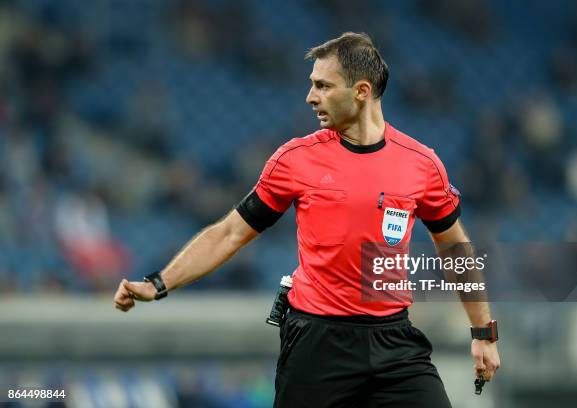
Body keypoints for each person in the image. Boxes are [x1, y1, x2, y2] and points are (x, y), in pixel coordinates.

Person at [113, 32, 500, 407]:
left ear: (361, 92)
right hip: (317, 341)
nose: (310, 97)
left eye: (323, 86)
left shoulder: (421, 164)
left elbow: (453, 248)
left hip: (394, 341)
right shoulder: (295, 160)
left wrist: (484, 333)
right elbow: (230, 233)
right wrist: (158, 283)